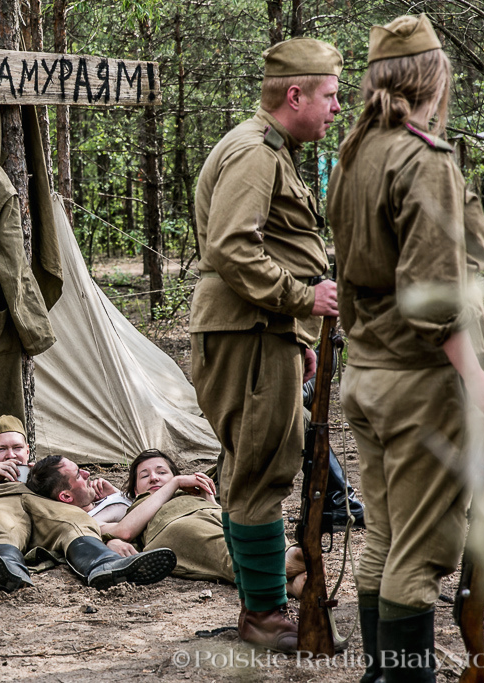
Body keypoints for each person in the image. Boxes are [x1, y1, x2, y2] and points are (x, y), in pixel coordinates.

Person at [328, 15, 484, 682]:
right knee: (422, 548)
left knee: (384, 537)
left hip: (368, 375)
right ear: (434, 77)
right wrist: (479, 377)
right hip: (418, 381)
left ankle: (382, 674)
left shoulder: (356, 153)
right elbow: (430, 295)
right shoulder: (422, 158)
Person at [187, 36, 344, 652]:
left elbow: (266, 244)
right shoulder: (256, 153)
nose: (337, 108)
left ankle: (262, 604)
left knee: (251, 467)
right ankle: (264, 615)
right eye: (330, 96)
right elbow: (232, 247)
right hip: (247, 332)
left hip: (260, 332)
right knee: (262, 471)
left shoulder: (268, 149)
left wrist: (294, 333)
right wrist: (303, 299)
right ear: (295, 95)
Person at [0, 415, 176, 592]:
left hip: (39, 512)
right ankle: (4, 567)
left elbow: (82, 512)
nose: (11, 455)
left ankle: (104, 564)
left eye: (17, 448)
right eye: (1, 449)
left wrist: (109, 535)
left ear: (27, 450)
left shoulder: (45, 475)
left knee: (73, 520)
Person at [28, 452, 309, 593]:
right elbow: (116, 530)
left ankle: (292, 584)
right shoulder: (116, 511)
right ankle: (288, 560)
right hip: (174, 524)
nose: (154, 477)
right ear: (135, 490)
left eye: (162, 472)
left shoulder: (116, 498)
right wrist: (173, 482)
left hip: (205, 509)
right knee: (224, 551)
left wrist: (208, 500)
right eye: (145, 475)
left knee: (246, 530)